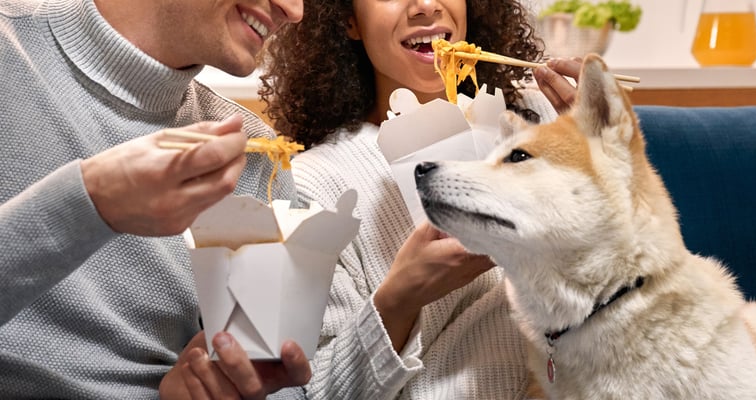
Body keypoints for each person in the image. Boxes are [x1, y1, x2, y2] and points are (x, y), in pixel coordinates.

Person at [259, 0, 580, 398]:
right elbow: (314, 389)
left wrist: (611, 154)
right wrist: (399, 299)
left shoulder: (544, 117)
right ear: (348, 20)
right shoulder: (314, 183)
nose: (427, 6)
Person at [0, 0, 311, 398]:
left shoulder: (258, 157)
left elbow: (278, 373)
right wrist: (91, 203)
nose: (295, 10)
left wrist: (218, 387)